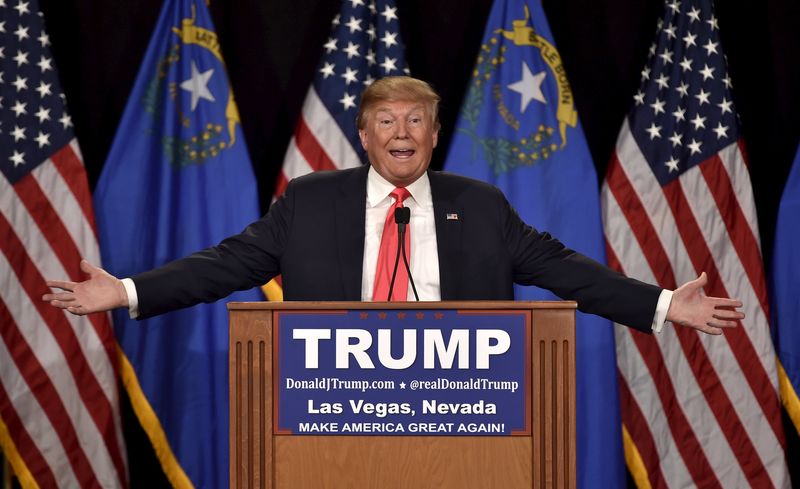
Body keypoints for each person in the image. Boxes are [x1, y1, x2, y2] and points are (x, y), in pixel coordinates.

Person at [43, 76, 742, 335]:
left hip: (464, 409)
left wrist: (661, 304)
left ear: (436, 135)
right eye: (387, 120)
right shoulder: (311, 203)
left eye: (416, 121)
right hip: (333, 414)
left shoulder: (482, 204)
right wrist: (128, 290)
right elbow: (228, 264)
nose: (402, 132)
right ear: (364, 134)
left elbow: (564, 270)